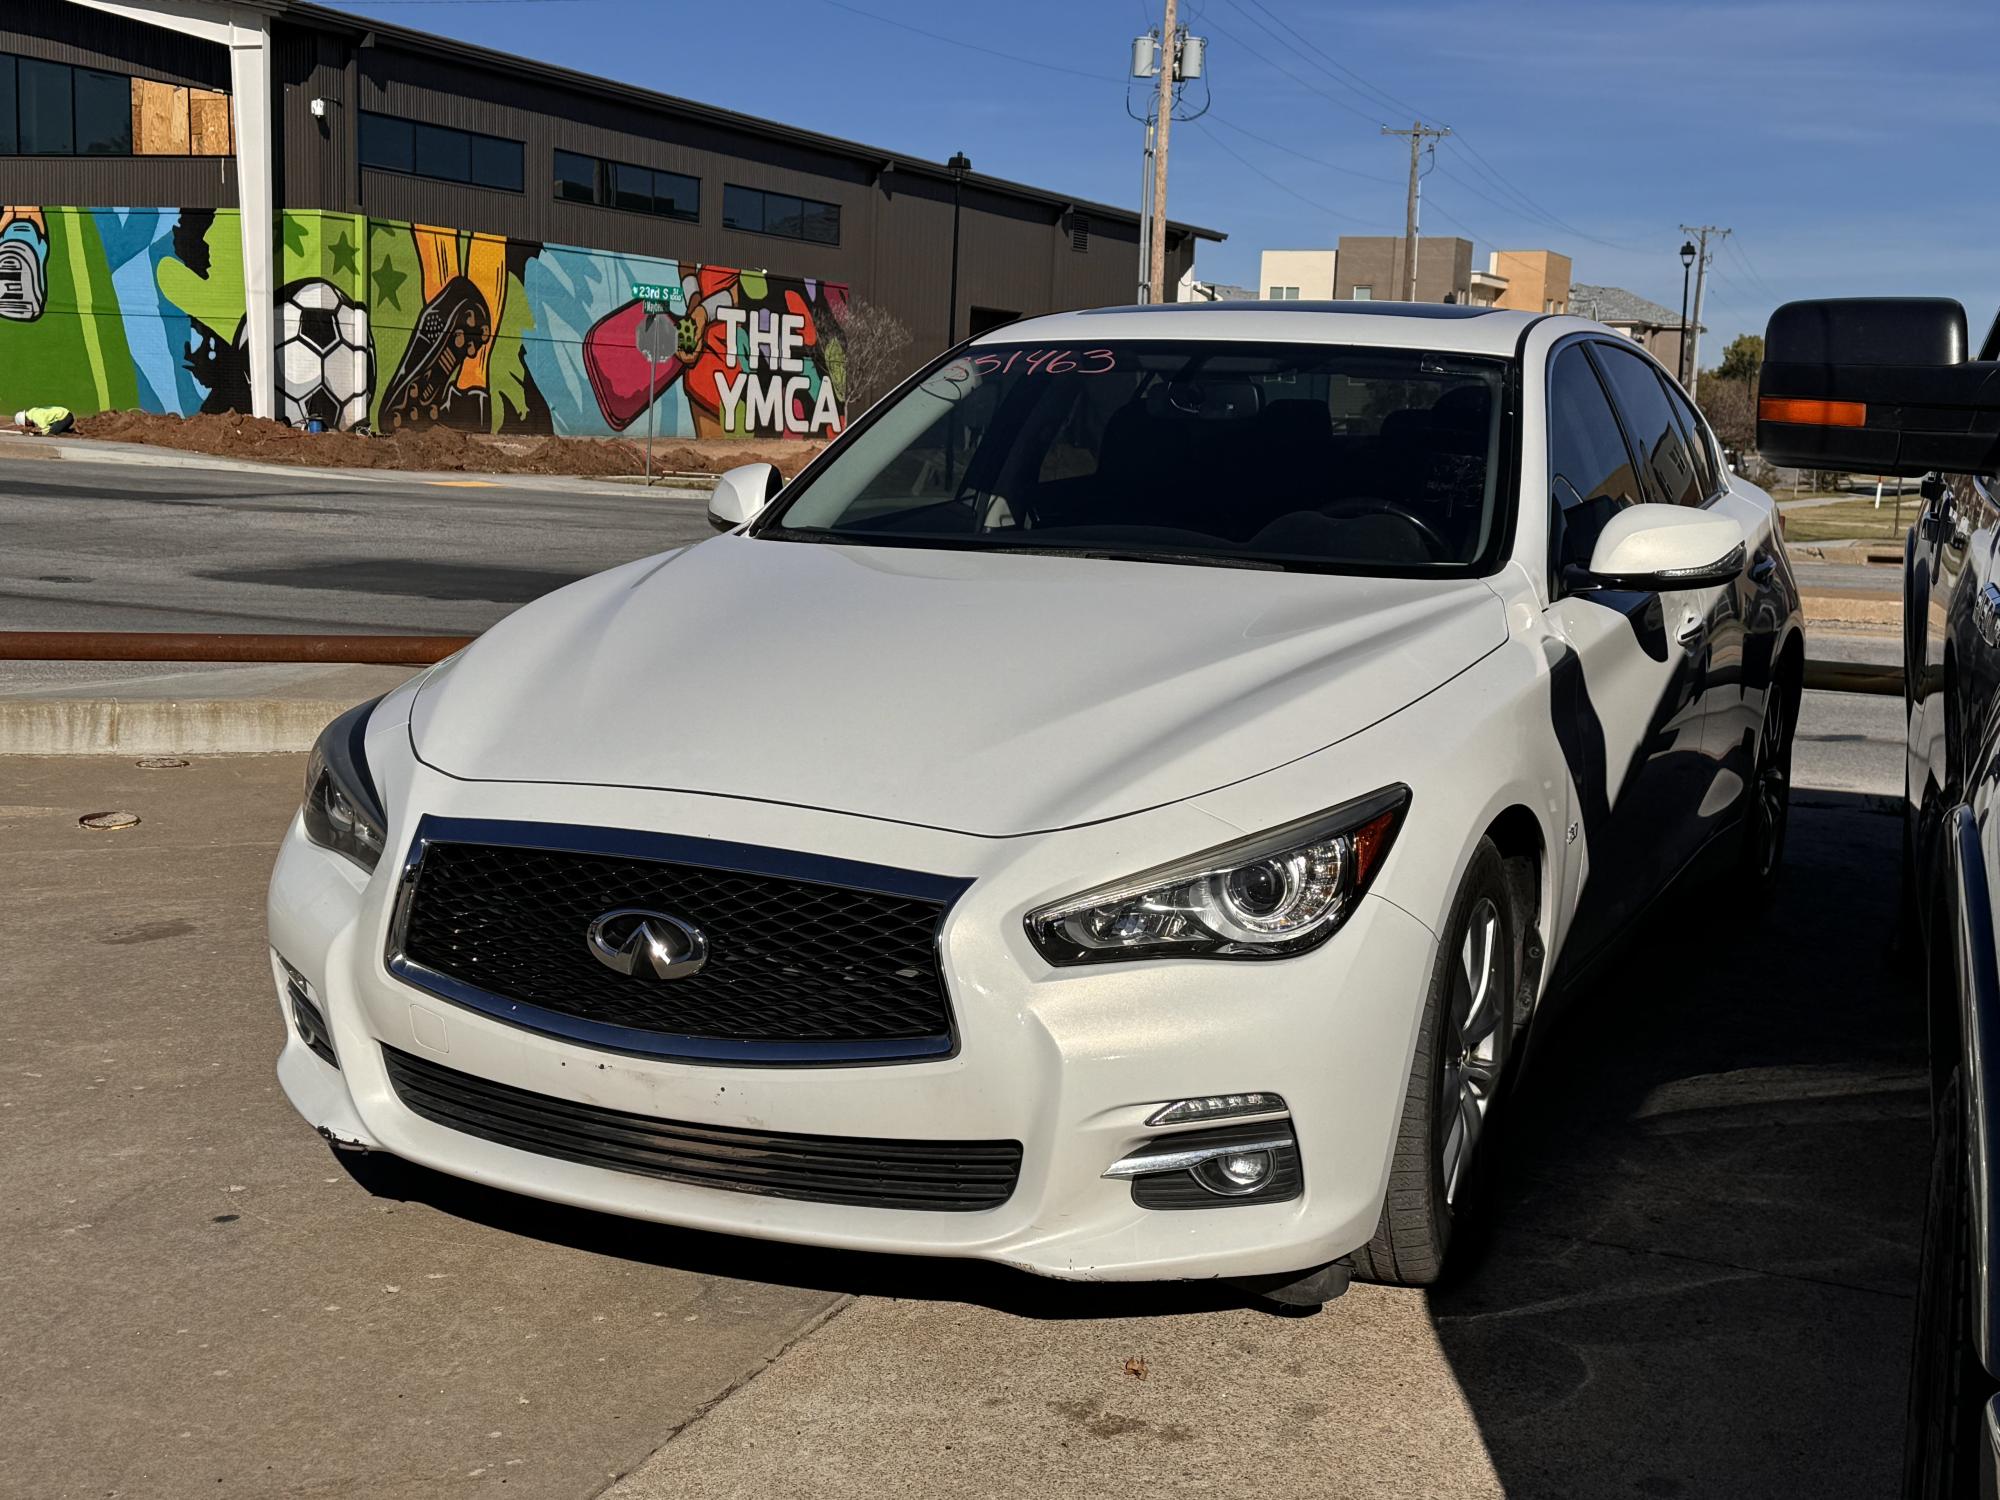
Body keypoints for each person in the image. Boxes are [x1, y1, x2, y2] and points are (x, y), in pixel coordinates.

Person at [11, 405, 75, 436]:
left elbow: (46, 429)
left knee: (50, 434)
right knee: (55, 428)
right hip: (64, 415)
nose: (28, 426)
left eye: (27, 424)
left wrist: (36, 433)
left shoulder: (37, 417)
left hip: (65, 417)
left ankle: (70, 433)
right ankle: (68, 431)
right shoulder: (32, 412)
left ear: (27, 421)